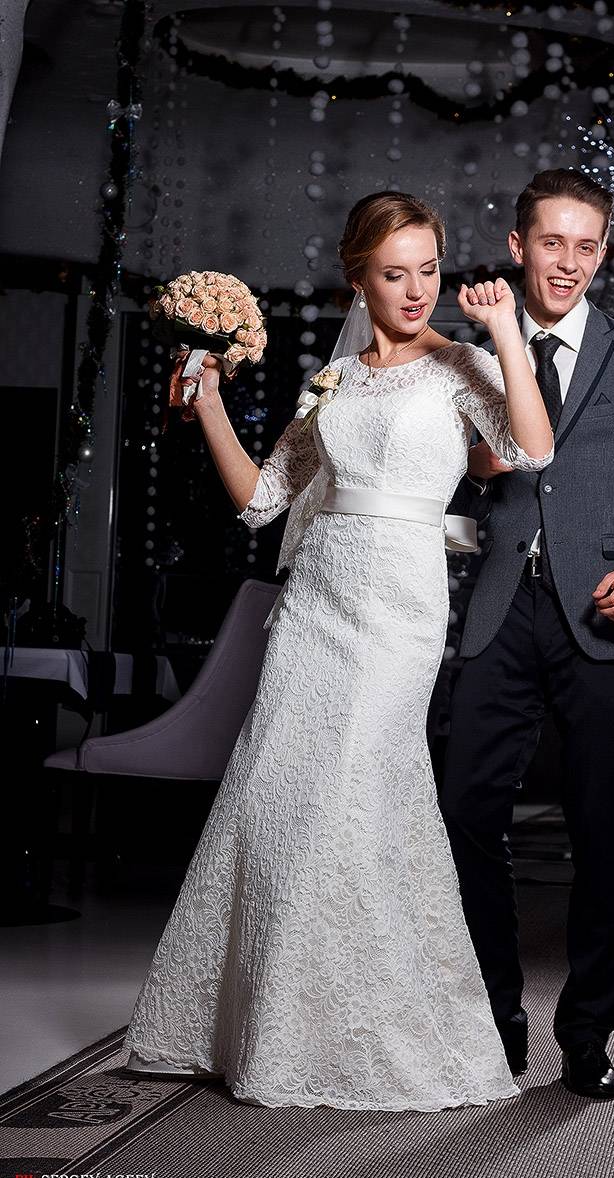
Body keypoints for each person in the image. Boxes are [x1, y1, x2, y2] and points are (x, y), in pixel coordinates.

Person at [122, 191, 554, 1110]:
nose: (416, 289)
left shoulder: (462, 365)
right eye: (394, 273)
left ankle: (373, 1019)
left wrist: (505, 334)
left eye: (428, 269)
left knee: (360, 791)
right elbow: (260, 501)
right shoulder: (334, 380)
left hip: (399, 607)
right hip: (315, 600)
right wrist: (209, 401)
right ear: (359, 279)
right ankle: (275, 1022)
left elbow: (531, 447)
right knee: (281, 797)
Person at [441, 169, 614, 1099]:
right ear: (518, 246)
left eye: (586, 247)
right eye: (552, 243)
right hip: (499, 612)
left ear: (602, 254)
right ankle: (495, 1017)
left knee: (601, 829)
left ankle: (589, 1034)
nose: (568, 262)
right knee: (467, 811)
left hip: (602, 615)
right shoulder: (477, 352)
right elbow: (455, 474)